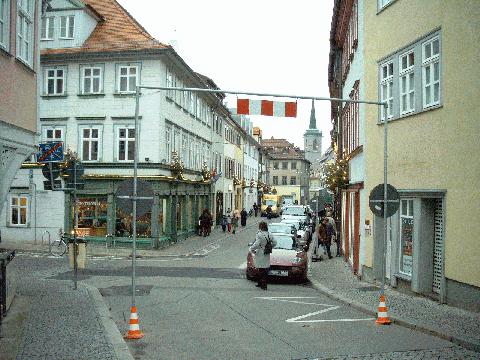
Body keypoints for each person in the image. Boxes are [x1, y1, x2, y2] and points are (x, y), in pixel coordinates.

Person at [249, 221, 277, 290]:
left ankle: (262, 284)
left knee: (260, 268)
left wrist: (251, 248)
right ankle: (262, 283)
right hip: (266, 252)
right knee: (264, 268)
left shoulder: (259, 234)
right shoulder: (269, 234)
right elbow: (275, 242)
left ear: (260, 227)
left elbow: (257, 244)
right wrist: (269, 246)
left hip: (260, 252)